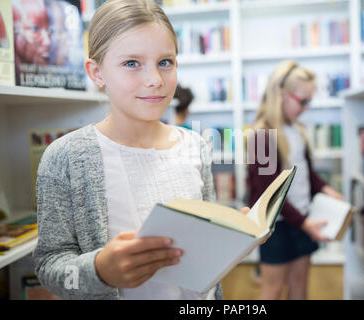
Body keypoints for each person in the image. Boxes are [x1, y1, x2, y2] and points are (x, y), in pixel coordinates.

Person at [33, 0, 252, 300]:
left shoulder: (195, 146)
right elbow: (49, 267)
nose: (155, 80)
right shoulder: (65, 158)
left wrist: (229, 242)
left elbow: (202, 254)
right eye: (132, 63)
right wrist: (100, 271)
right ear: (97, 73)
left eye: (166, 62)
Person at [247, 60, 344, 300]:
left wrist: (327, 189)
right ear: (281, 95)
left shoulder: (298, 130)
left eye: (309, 101)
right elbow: (267, 194)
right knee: (273, 288)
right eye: (303, 101)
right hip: (275, 226)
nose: (306, 107)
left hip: (302, 217)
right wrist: (304, 224)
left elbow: (307, 175)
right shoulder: (262, 135)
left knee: (300, 284)